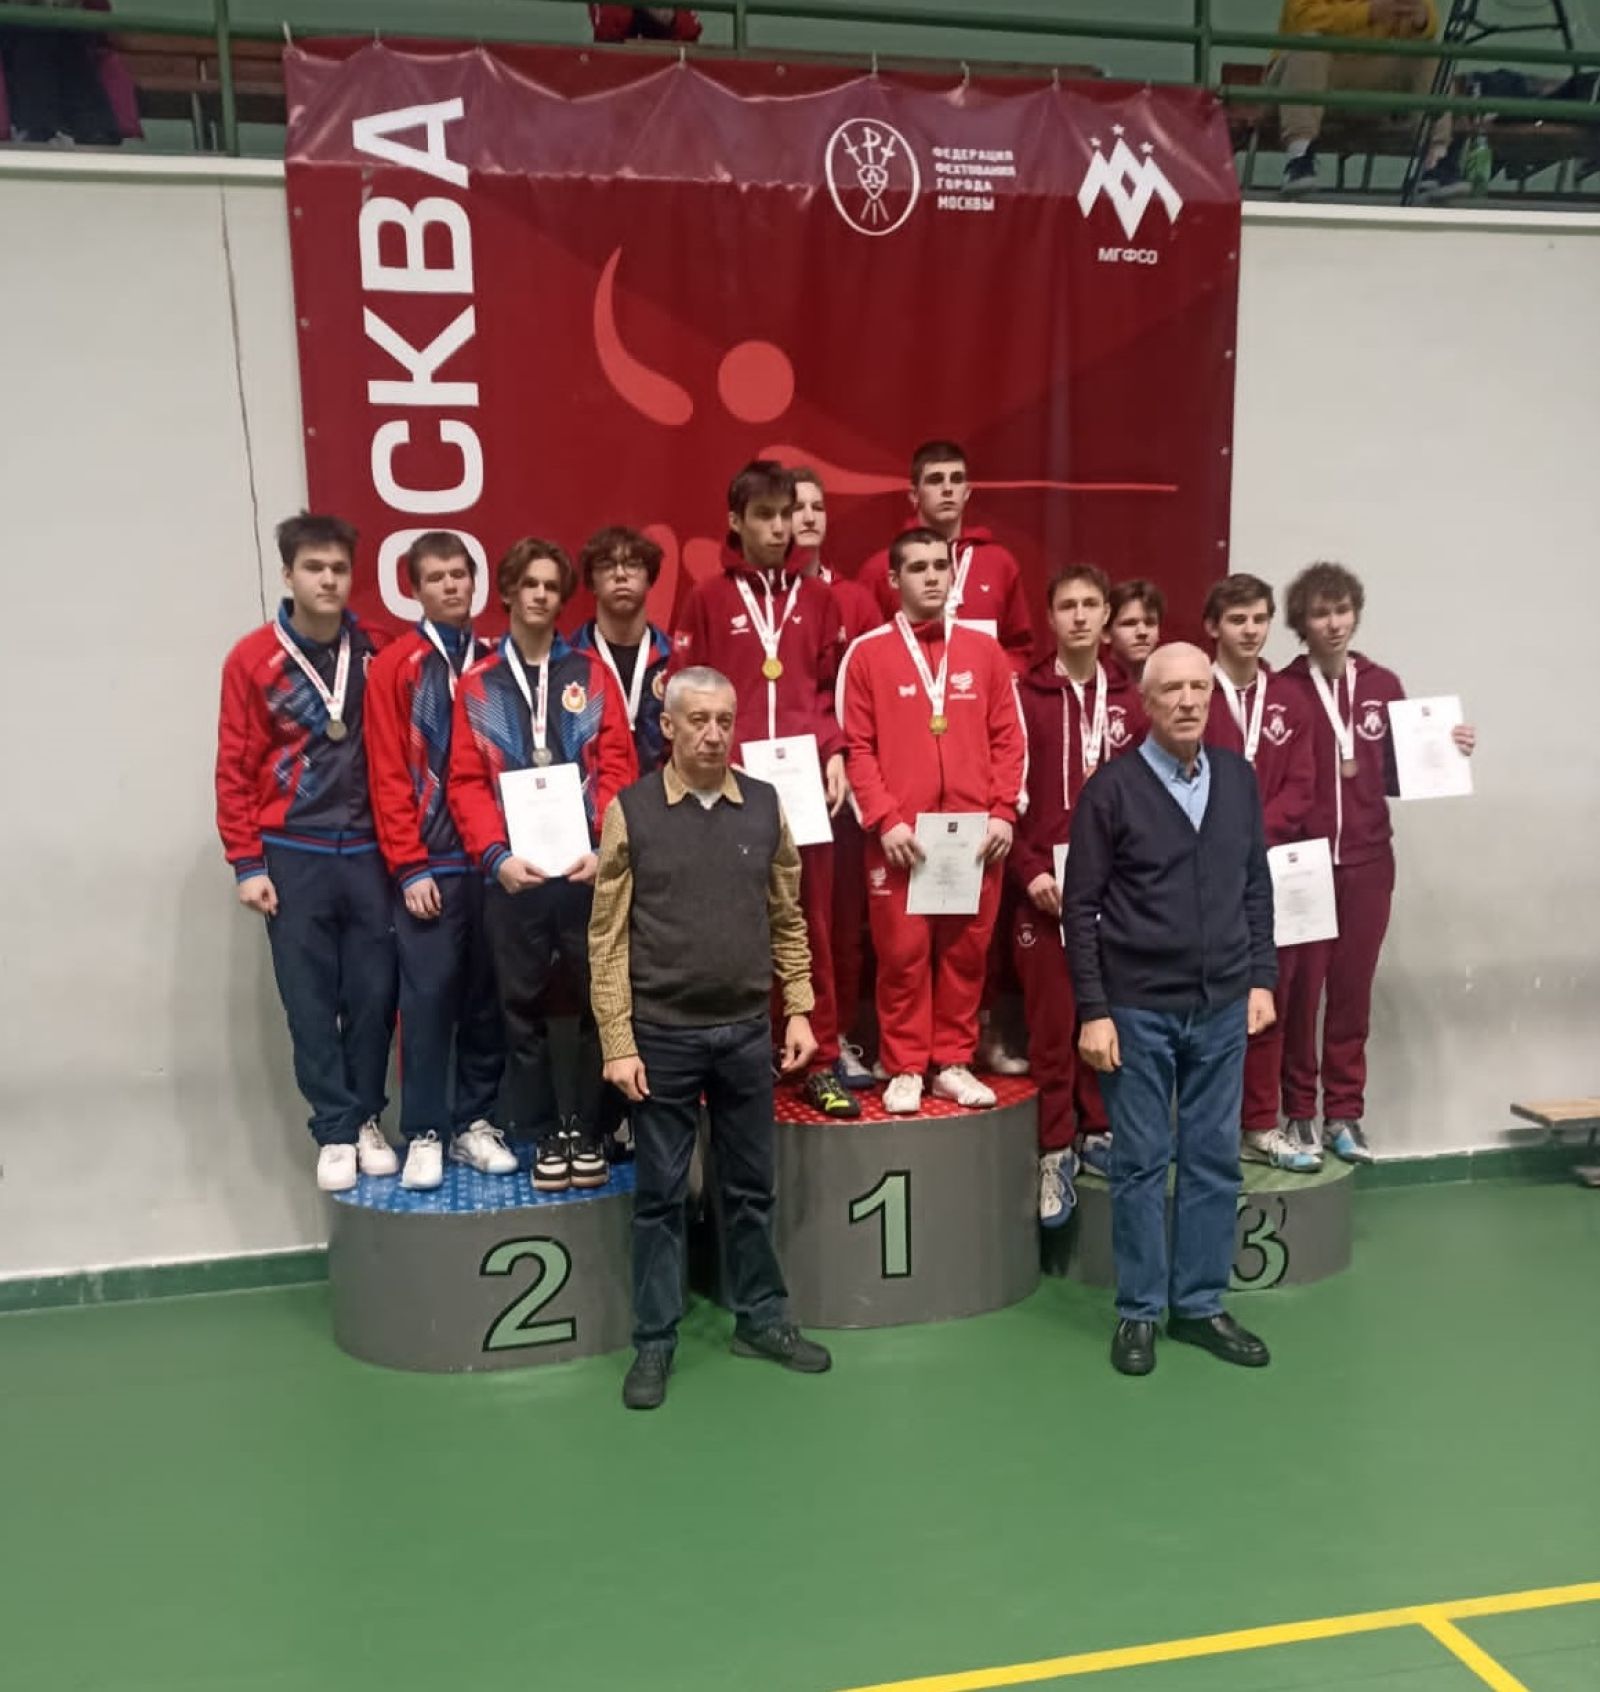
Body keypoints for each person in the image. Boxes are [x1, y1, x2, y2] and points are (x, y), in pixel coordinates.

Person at [589, 666, 833, 1410]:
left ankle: (761, 1318)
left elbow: (787, 916)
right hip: (662, 1035)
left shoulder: (764, 806)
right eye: (697, 719)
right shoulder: (631, 812)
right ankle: (654, 1340)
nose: (713, 733)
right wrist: (618, 1040)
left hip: (746, 1034)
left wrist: (799, 1007)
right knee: (660, 1197)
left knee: (752, 1188)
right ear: (667, 726)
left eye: (724, 719)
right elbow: (607, 937)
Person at [1064, 643, 1277, 1378]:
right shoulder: (1111, 791)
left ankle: (1200, 1304)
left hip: (1223, 1006)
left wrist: (1261, 979)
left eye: (1198, 688)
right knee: (1141, 1163)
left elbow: (1256, 885)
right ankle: (1139, 1310)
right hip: (1137, 1010)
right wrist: (1094, 1011)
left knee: (1215, 1159)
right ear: (1146, 704)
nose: (1187, 701)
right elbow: (1080, 907)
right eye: (1172, 690)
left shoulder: (1239, 780)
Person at [668, 460, 859, 1119]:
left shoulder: (822, 600)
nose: (781, 528)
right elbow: (686, 694)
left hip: (805, 785)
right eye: (766, 516)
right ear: (736, 521)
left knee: (810, 927)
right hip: (732, 787)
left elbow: (833, 693)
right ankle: (740, 1059)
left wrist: (835, 750)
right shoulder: (707, 598)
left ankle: (820, 1061)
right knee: (732, 927)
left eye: (788, 515)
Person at [448, 537, 638, 1195]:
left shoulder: (591, 674)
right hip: (514, 875)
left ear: (563, 599)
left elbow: (618, 766)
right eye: (529, 584)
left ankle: (591, 1128)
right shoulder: (478, 683)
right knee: (519, 1008)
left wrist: (605, 848)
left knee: (595, 1002)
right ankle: (536, 1133)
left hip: (585, 872)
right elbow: (465, 782)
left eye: (552, 587)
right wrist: (494, 856)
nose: (540, 595)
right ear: (508, 591)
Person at [214, 513, 398, 1192]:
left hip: (371, 851)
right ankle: (335, 1128)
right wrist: (247, 862)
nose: (328, 580)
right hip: (293, 851)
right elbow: (235, 764)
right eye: (314, 568)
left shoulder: (378, 649)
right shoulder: (252, 658)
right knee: (311, 1000)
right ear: (288, 575)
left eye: (339, 569)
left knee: (375, 994)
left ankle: (367, 1116)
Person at [1275, 561, 1476, 1164]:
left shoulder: (1384, 684)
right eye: (1320, 614)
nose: (1334, 624)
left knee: (1351, 992)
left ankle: (1344, 1114)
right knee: (1300, 994)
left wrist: (1448, 750)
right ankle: (1298, 1112)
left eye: (1342, 611)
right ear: (1302, 623)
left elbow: (1396, 775)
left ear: (1356, 614)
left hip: (1368, 862)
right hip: (1305, 864)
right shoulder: (1285, 690)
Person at [838, 529, 1027, 1115]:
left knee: (965, 956)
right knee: (902, 955)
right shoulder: (867, 654)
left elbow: (1009, 737)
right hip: (902, 838)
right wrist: (884, 820)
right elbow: (856, 747)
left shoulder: (985, 652)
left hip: (974, 837)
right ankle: (904, 1066)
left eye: (940, 566)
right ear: (894, 580)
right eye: (917, 568)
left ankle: (952, 1063)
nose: (931, 577)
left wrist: (1003, 812)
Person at [364, 531, 512, 1191]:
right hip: (431, 861)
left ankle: (474, 1122)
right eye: (436, 578)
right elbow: (387, 771)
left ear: (476, 582)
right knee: (426, 1001)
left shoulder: (498, 661)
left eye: (459, 574)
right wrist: (409, 864)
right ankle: (424, 1129)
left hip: (493, 860)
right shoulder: (397, 665)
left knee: (486, 996)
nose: (451, 586)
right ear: (414, 589)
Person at [1012, 565, 1145, 1225]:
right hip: (1042, 887)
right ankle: (1055, 1148)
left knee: (1107, 1015)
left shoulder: (1133, 700)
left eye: (1092, 604)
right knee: (1052, 1024)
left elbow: (1148, 800)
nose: (1081, 616)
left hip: (1112, 893)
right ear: (1050, 617)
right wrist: (1031, 871)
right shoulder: (1025, 696)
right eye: (1068, 605)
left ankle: (1098, 1130)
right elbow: (1002, 793)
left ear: (1106, 615)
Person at [1202, 573, 1320, 1175]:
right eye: (1237, 619)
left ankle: (1260, 1124)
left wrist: (1254, 836)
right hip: (1208, 872)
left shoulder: (1290, 700)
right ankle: (1209, 1127)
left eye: (1259, 619)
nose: (1250, 630)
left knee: (1267, 995)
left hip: (1273, 869)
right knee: (1210, 1002)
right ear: (1212, 627)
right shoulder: (1195, 692)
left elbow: (1303, 784)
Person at [790, 467, 881, 1089]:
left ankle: (838, 1034)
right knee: (777, 919)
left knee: (837, 924)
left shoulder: (854, 599)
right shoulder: (761, 598)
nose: (806, 517)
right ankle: (778, 1035)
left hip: (836, 783)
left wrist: (845, 755)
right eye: (795, 507)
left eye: (817, 506)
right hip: (773, 779)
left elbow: (872, 690)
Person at [857, 440, 1035, 675]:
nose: (948, 488)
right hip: (908, 693)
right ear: (914, 495)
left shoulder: (1000, 563)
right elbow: (866, 650)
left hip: (982, 693)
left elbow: (1018, 647)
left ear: (967, 492)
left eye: (956, 479)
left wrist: (1005, 675)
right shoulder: (882, 567)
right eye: (935, 480)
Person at [1270, 0, 1464, 201]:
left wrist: (1421, 21)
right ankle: (1299, 159)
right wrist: (1369, 13)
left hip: (1368, 79)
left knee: (1428, 51)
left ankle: (1436, 162)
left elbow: (1428, 21)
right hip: (1295, 80)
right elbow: (1305, 19)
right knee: (1309, 44)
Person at [571, 525, 672, 777]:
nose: (620, 574)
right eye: (607, 565)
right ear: (591, 582)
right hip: (592, 796)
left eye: (632, 564)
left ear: (649, 579)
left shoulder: (674, 660)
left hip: (662, 796)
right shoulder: (569, 660)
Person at [1106, 579, 1164, 685]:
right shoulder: (1091, 687)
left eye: (1150, 623)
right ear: (1105, 633)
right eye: (1130, 624)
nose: (1142, 632)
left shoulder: (1172, 682)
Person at [589, 5, 702, 41]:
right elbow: (605, 35)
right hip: (617, 62)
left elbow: (690, 32)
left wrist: (672, 19)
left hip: (670, 61)